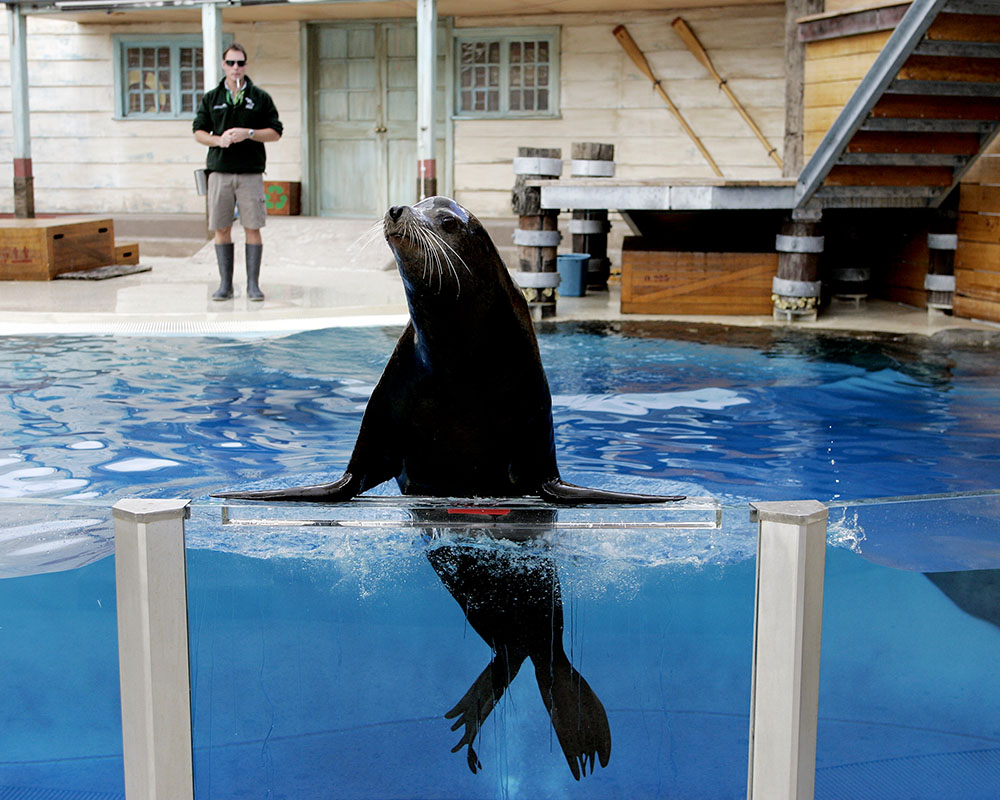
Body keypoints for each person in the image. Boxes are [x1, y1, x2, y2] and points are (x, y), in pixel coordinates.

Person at [193, 43, 282, 301]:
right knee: (221, 228)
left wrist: (249, 133)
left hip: (250, 173)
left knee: (252, 226)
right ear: (223, 65)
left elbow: (276, 132)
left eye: (240, 63)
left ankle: (253, 285)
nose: (235, 68)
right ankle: (225, 285)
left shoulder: (260, 97)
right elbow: (198, 131)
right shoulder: (212, 98)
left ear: (245, 65)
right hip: (219, 173)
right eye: (231, 63)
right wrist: (218, 140)